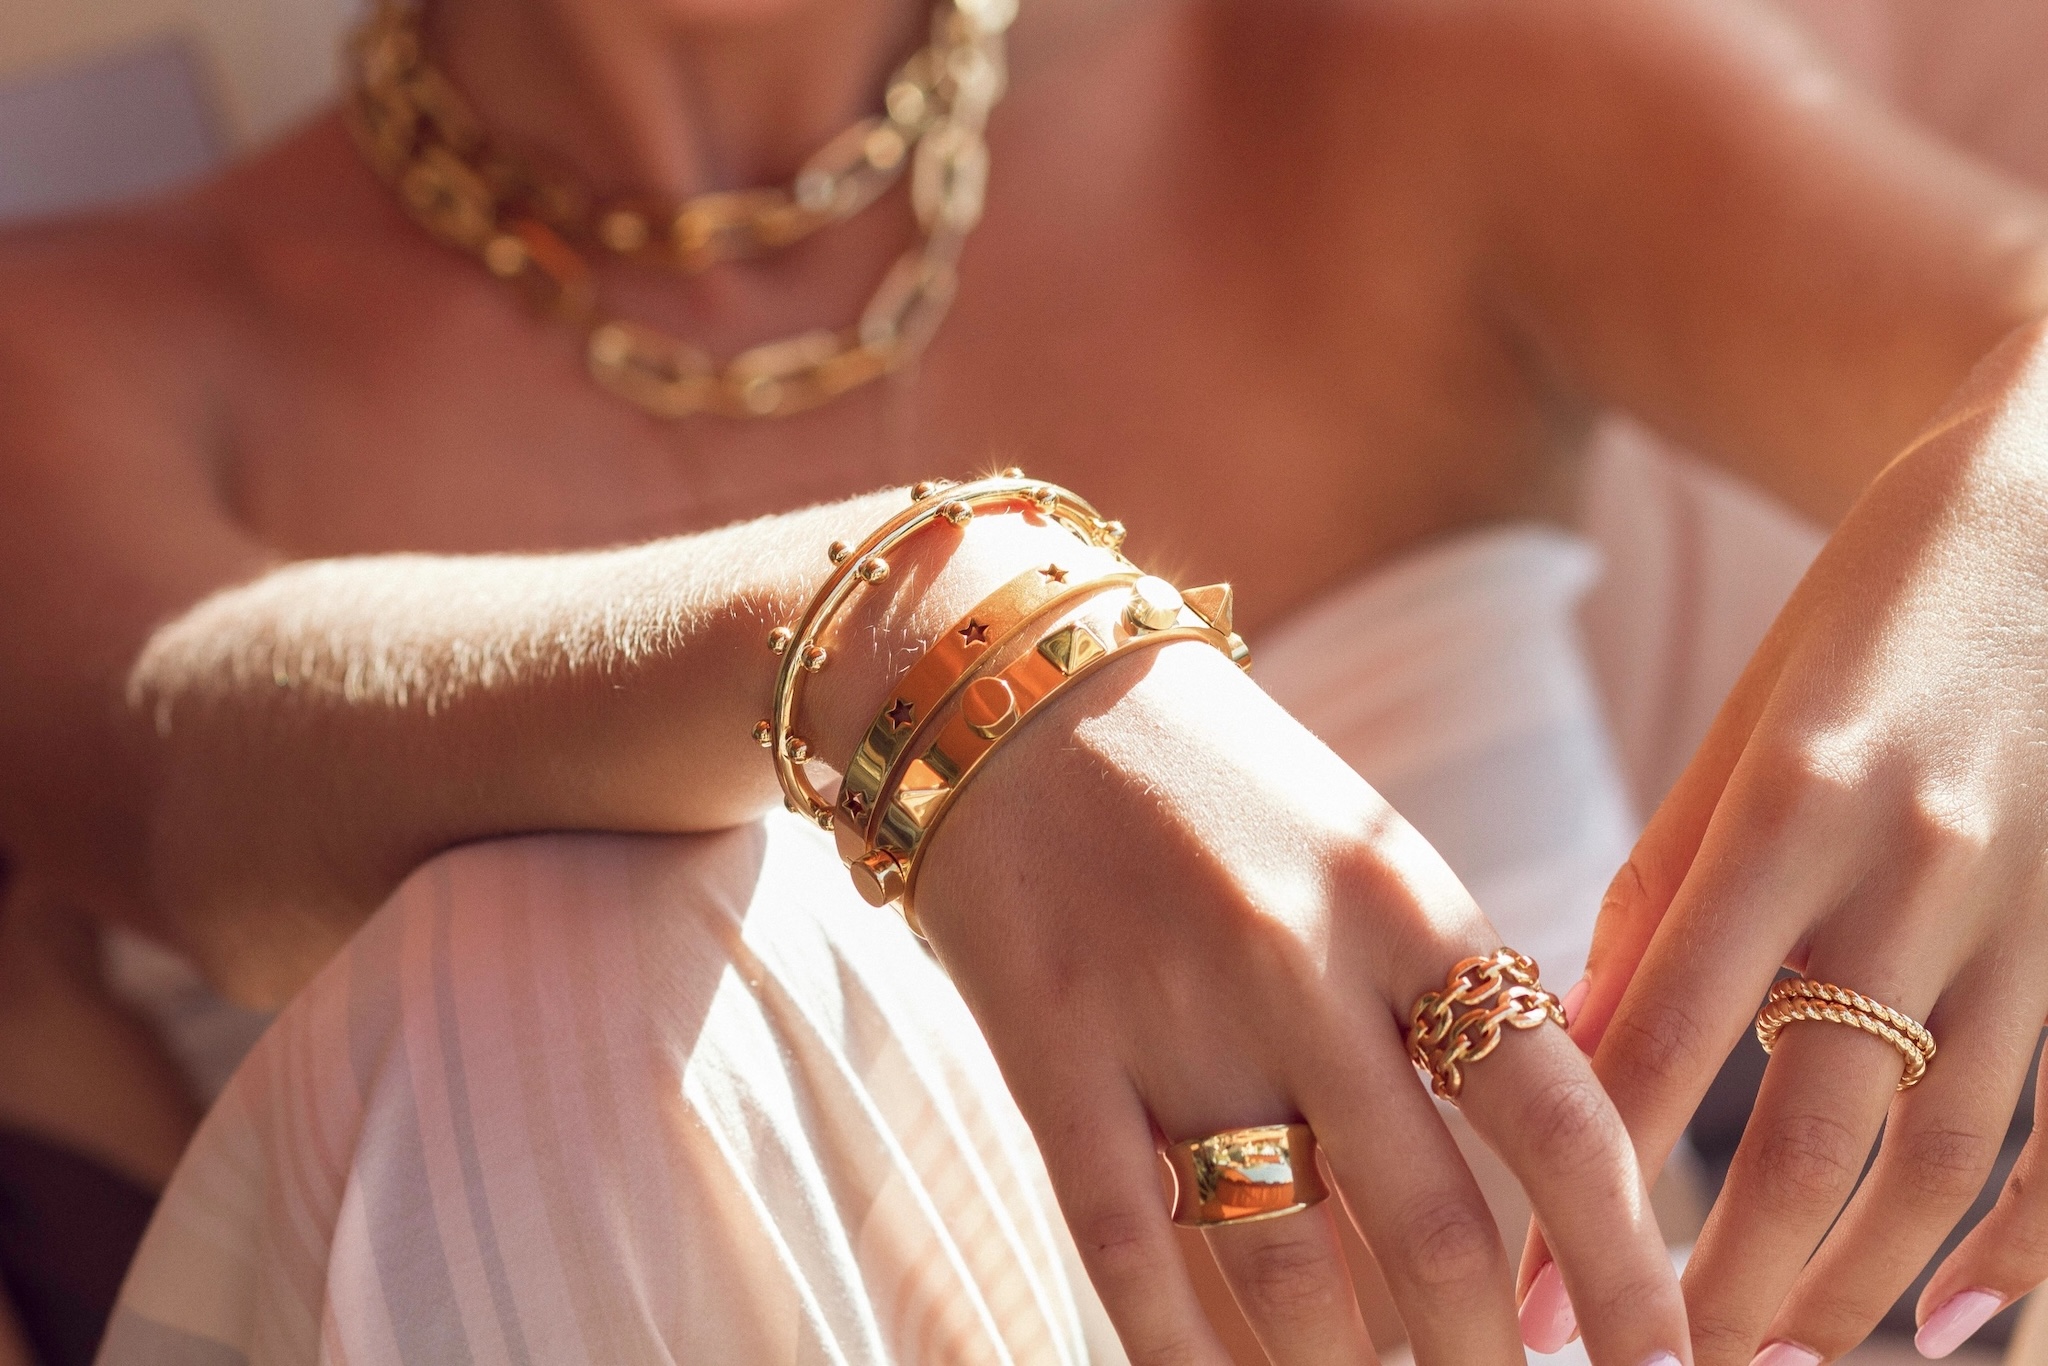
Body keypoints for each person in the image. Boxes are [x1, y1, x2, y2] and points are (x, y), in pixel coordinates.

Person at [3, 0, 2048, 1361]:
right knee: (552, 943)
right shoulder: (85, 347)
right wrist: (926, 637)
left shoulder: (1381, 70)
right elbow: (172, 770)